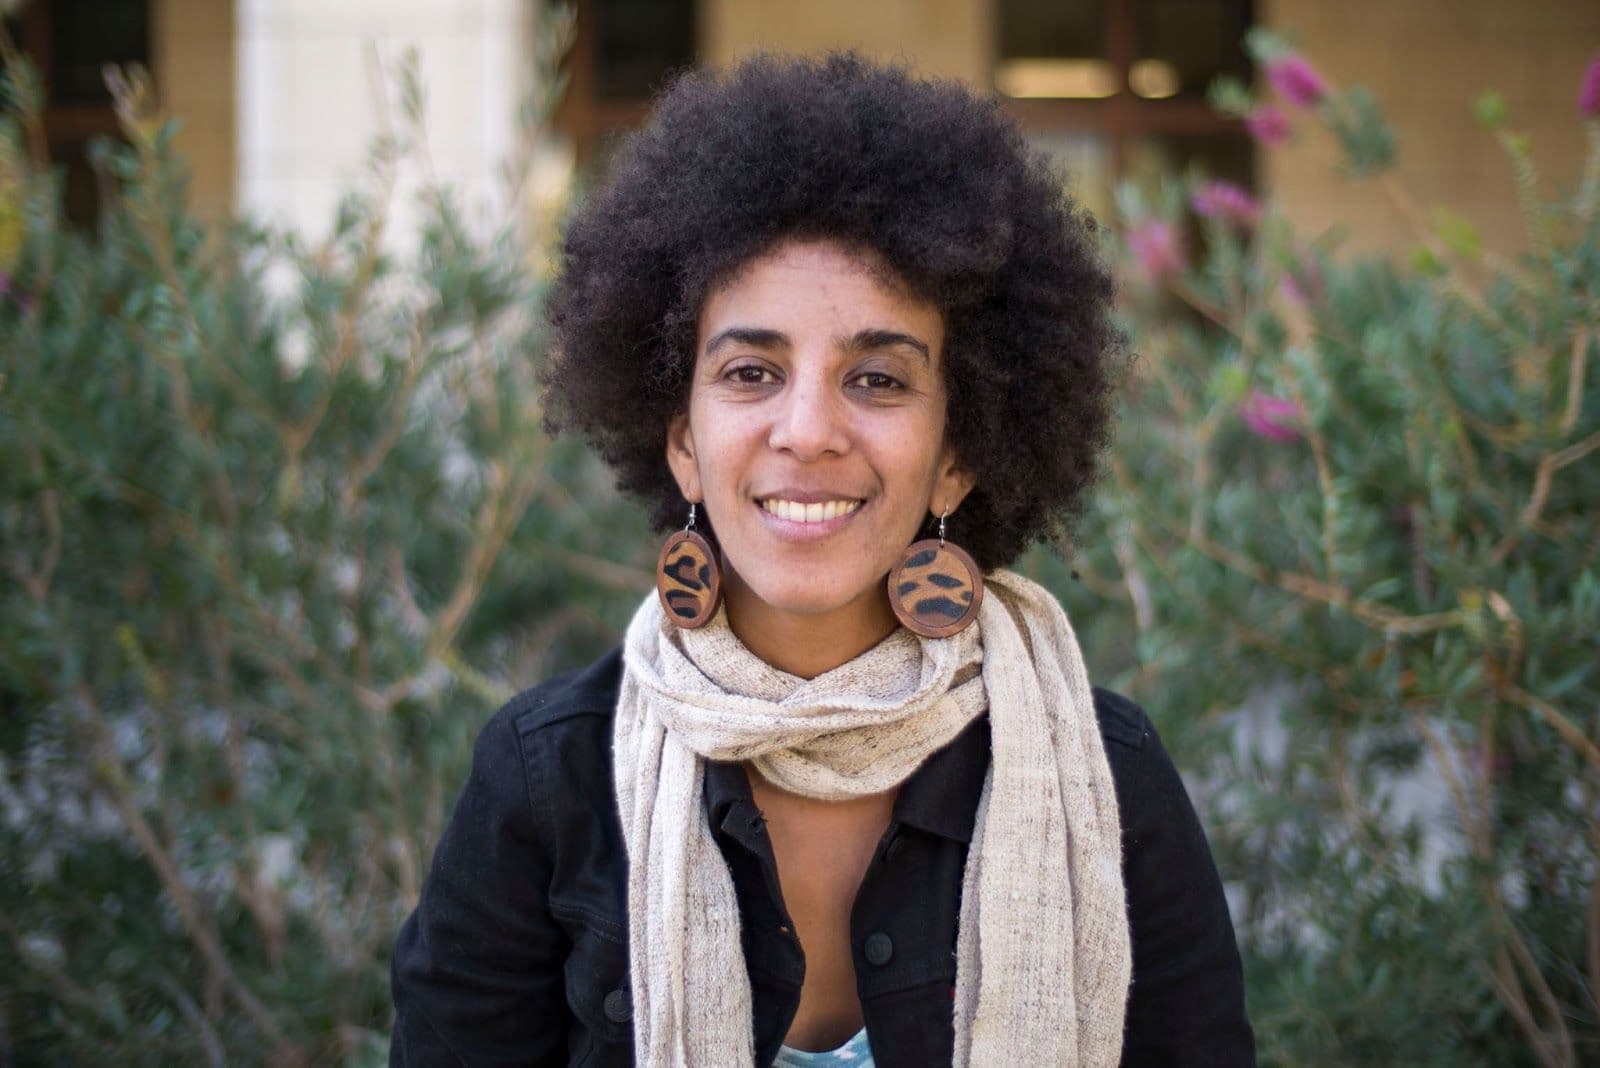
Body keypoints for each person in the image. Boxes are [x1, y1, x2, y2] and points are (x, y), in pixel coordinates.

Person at [390, 53, 1254, 1067]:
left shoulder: (1102, 772)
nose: (807, 430)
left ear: (956, 456)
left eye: (878, 379)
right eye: (752, 372)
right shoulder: (549, 781)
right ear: (682, 444)